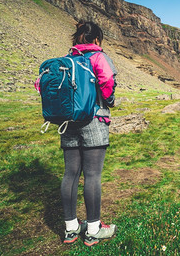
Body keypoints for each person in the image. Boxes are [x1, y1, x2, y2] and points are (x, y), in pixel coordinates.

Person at [47, 21, 118, 246]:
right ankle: (94, 230)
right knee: (93, 175)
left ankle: (71, 228)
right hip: (94, 120)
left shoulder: (67, 61)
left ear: (76, 39)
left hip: (68, 122)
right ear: (97, 40)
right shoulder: (99, 57)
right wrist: (110, 100)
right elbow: (107, 80)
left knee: (70, 174)